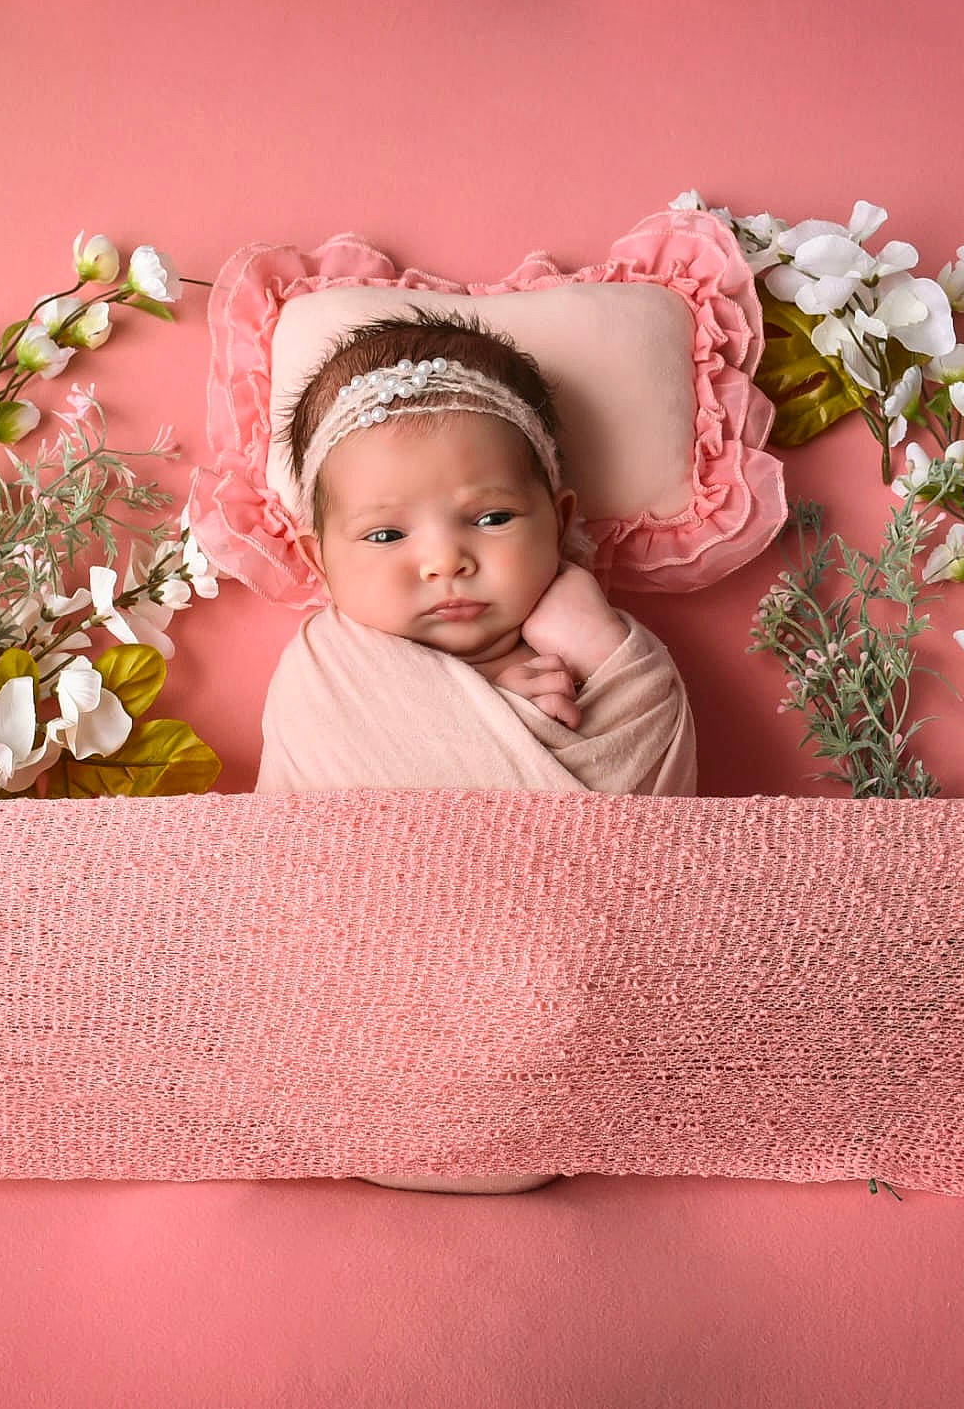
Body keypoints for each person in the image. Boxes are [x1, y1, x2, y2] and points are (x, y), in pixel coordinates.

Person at [256, 307, 698, 1194]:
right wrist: (494, 710)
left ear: (559, 518)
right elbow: (309, 869)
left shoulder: (620, 672)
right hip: (361, 1037)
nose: (444, 561)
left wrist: (601, 644)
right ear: (319, 556)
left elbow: (646, 845)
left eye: (490, 517)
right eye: (386, 535)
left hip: (564, 1042)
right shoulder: (325, 675)